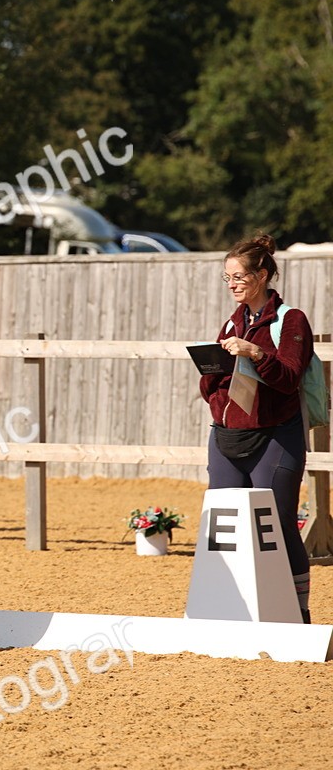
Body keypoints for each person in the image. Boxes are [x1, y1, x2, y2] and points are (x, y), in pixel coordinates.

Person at [200, 232, 315, 623]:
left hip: (275, 437)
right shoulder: (232, 321)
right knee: (223, 530)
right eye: (226, 278)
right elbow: (211, 387)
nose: (231, 284)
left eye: (238, 277)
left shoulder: (291, 320)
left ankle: (299, 611)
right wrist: (213, 378)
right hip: (226, 437)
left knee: (280, 526)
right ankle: (229, 610)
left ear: (262, 275)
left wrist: (255, 352)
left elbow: (288, 378)